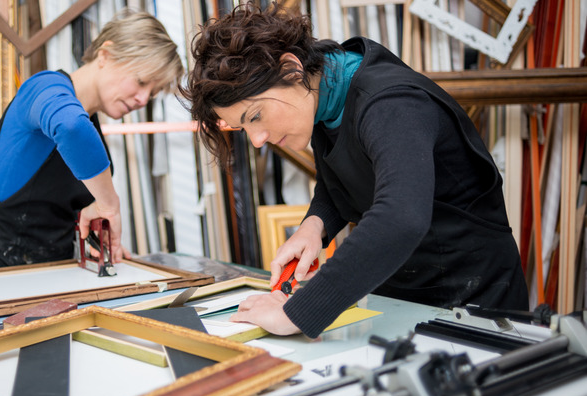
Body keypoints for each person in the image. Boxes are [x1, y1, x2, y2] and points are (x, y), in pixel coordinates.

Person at [181, 4, 528, 338]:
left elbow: (400, 217)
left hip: (473, 293)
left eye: (255, 116)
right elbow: (346, 177)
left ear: (291, 68)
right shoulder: (322, 94)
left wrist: (297, 312)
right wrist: (314, 226)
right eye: (243, 128)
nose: (257, 140)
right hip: (402, 290)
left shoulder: (391, 103)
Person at [0, 11, 183, 274]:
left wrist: (92, 238)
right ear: (105, 55)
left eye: (152, 93)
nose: (143, 99)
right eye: (141, 81)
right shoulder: (45, 87)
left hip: (45, 277)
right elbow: (70, 126)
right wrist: (110, 203)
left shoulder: (90, 124)